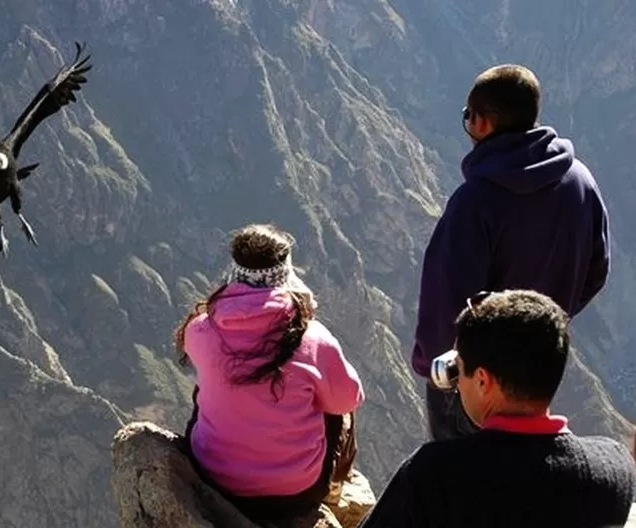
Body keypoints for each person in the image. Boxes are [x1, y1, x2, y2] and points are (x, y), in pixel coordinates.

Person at [411, 64, 611, 441]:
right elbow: (596, 270)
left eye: (468, 117)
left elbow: (446, 301)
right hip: (540, 367)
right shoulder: (579, 181)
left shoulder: (475, 203)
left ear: (482, 123)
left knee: (464, 483)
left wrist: (438, 367)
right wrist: (547, 320)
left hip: (477, 378)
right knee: (527, 465)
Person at [359, 290, 636, 528]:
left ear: (482, 380)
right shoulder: (614, 470)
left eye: (461, 372)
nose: (457, 385)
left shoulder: (434, 475)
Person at [175, 223, 365, 523]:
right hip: (294, 492)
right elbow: (348, 399)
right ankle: (335, 488)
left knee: (206, 387)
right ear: (285, 274)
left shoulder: (200, 329)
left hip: (214, 476)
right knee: (338, 400)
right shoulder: (312, 338)